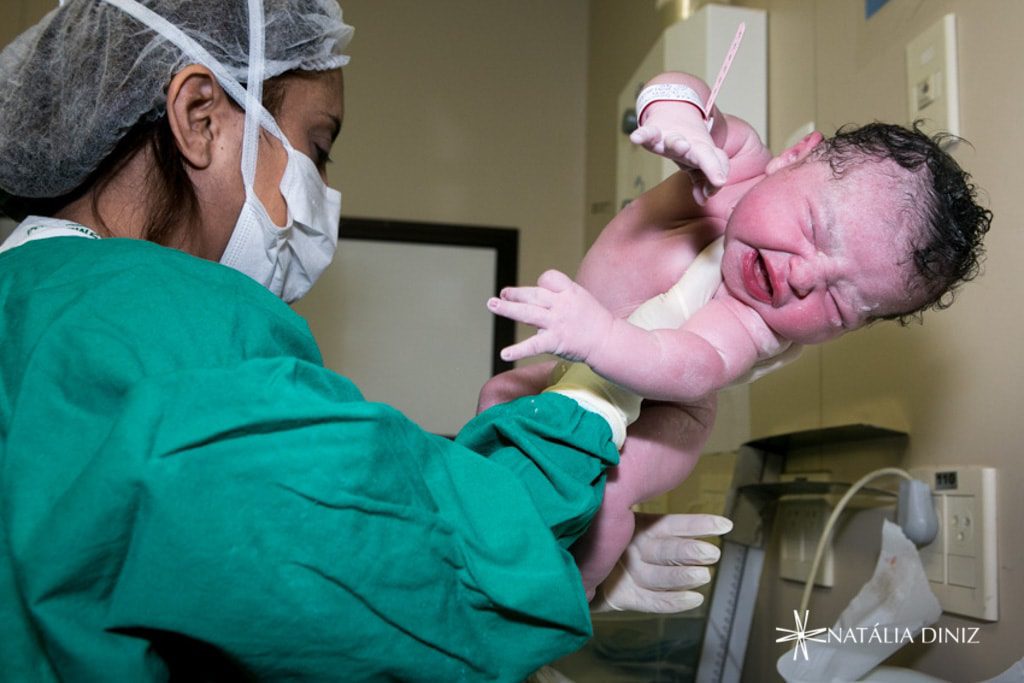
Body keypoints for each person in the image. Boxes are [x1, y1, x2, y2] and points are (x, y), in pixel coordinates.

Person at [0, 3, 732, 682]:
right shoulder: (169, 318)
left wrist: (564, 561)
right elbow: (395, 570)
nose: (320, 188)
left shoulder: (33, 306)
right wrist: (597, 395)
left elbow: (220, 586)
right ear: (200, 117)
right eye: (317, 147)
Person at [483, 70, 992, 596]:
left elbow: (688, 364)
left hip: (667, 411)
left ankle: (564, 603)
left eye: (839, 304)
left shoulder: (749, 320)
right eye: (816, 228)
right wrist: (679, 120)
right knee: (499, 396)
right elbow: (690, 94)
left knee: (605, 495)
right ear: (794, 157)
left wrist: (598, 339)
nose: (804, 277)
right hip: (584, 366)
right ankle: (477, 508)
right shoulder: (736, 167)